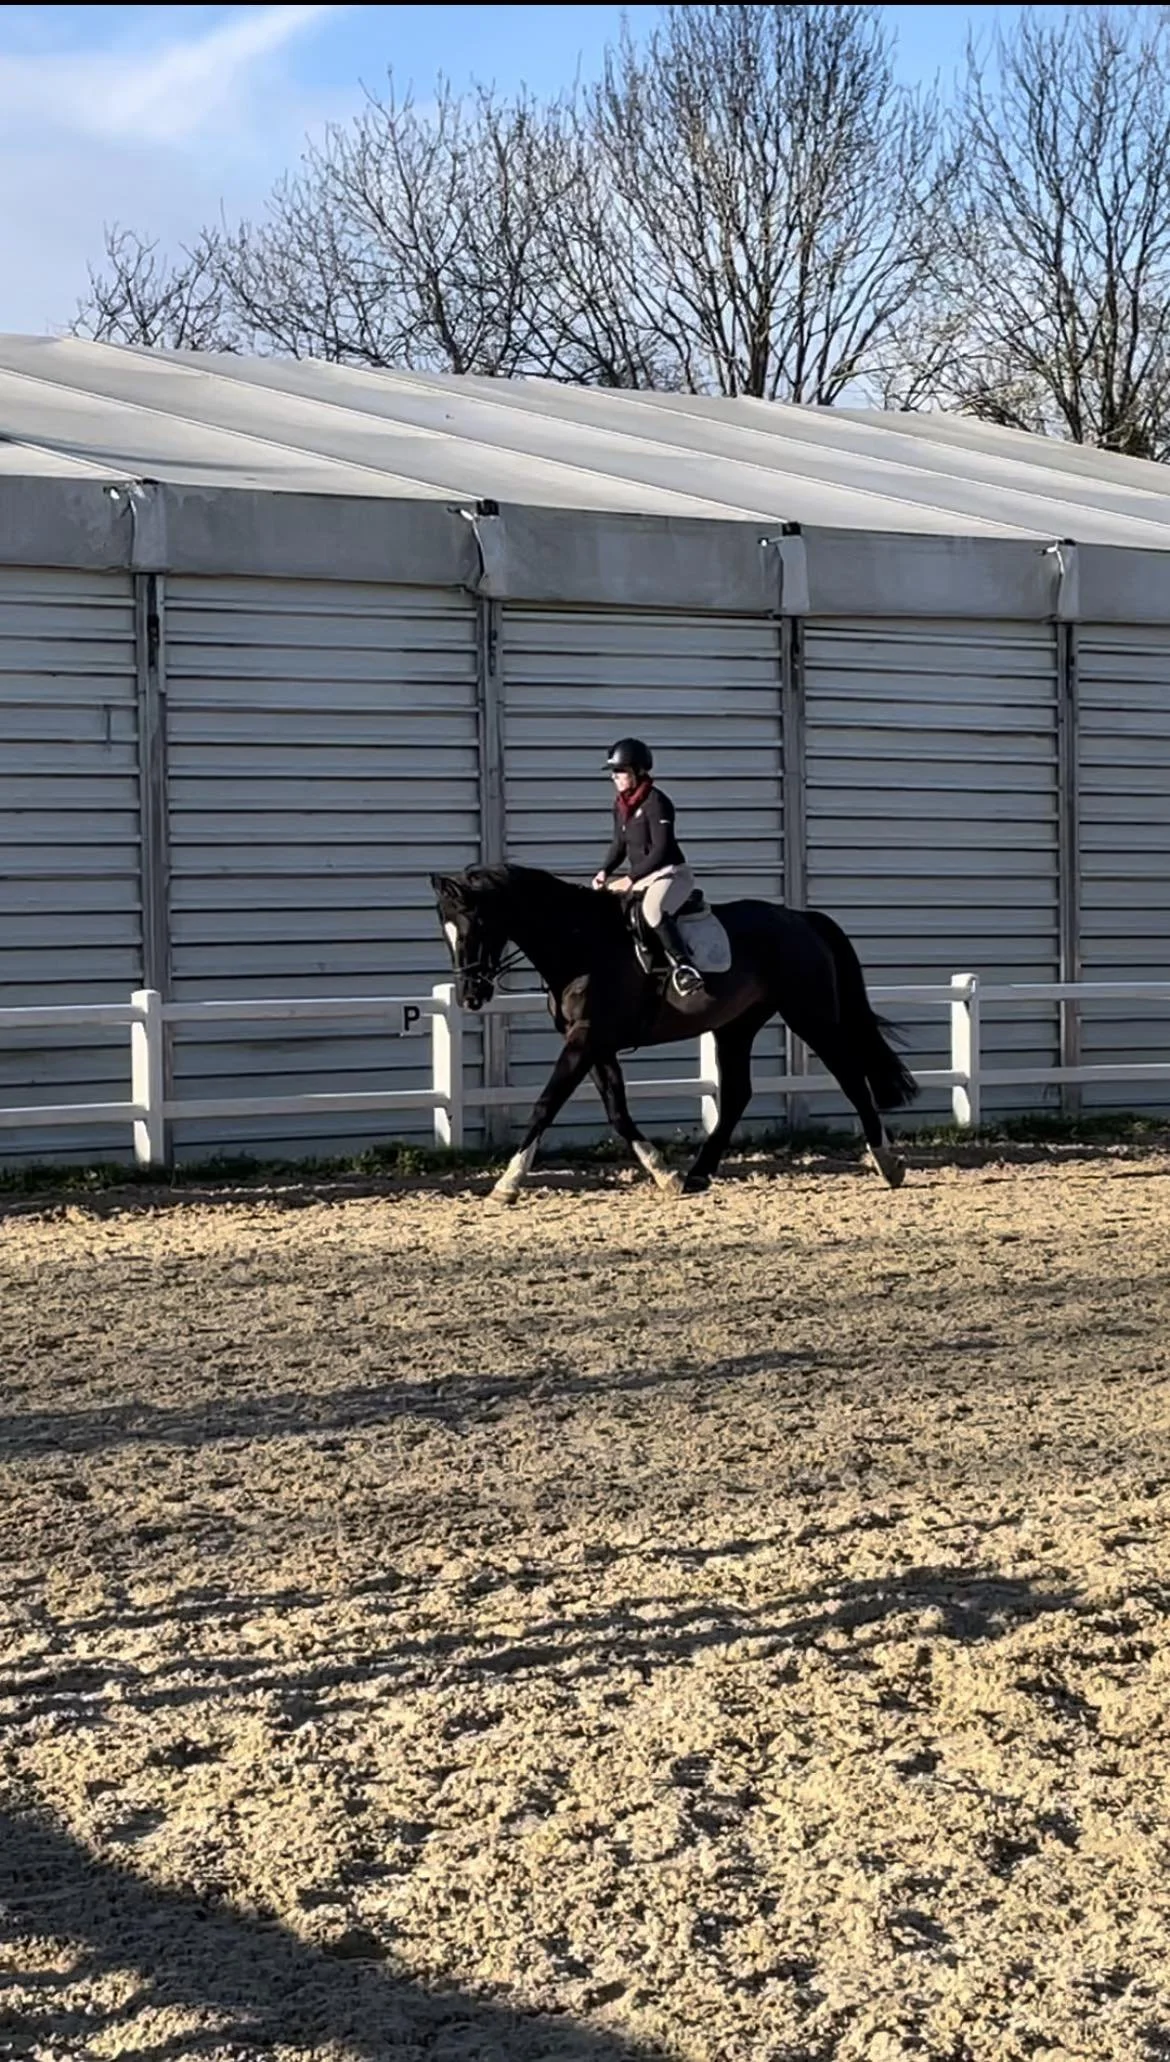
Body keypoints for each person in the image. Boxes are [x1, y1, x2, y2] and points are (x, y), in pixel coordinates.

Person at [592, 737, 704, 997]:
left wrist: (630, 878)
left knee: (652, 910)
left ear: (638, 771)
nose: (614, 777)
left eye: (620, 771)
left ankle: (685, 969)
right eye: (613, 772)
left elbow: (662, 850)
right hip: (643, 876)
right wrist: (604, 872)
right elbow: (619, 845)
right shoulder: (620, 806)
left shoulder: (657, 802)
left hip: (670, 873)